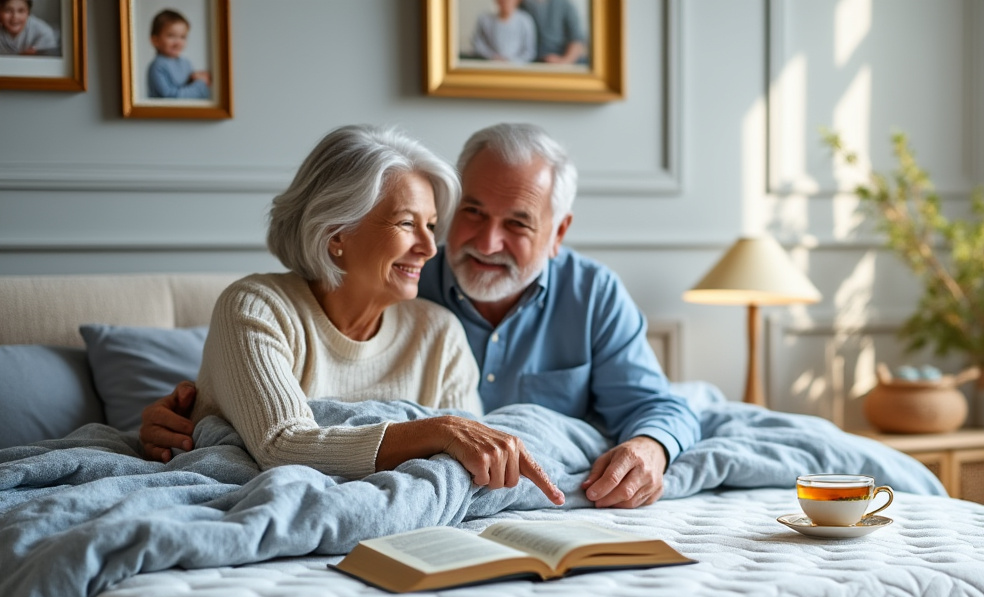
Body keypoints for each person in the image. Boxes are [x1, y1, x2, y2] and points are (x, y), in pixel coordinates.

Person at [142, 123, 697, 509]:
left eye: (519, 224)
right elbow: (274, 414)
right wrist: (207, 411)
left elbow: (654, 406)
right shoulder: (396, 279)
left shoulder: (579, 296)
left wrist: (652, 447)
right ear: (337, 235)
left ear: (558, 233)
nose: (478, 241)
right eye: (471, 213)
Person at [190, 124, 564, 504]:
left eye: (431, 227)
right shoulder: (256, 306)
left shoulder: (440, 334)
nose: (428, 248)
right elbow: (281, 445)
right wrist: (440, 432)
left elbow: (470, 469)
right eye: (407, 223)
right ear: (337, 232)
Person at [146, 9, 210, 99]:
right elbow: (170, 97)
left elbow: (200, 94)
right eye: (171, 36)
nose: (178, 42)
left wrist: (195, 79)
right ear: (155, 40)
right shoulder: (158, 66)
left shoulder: (186, 63)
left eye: (183, 37)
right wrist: (200, 84)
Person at [520, 0, 585, 64]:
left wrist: (564, 61)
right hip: (532, 62)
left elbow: (577, 41)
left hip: (562, 61)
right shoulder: (524, 5)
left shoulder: (565, 5)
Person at [471, 0, 536, 64]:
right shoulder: (484, 20)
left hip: (517, 70)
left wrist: (511, 62)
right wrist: (493, 57)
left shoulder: (526, 21)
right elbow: (477, 44)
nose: (505, 1)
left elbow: (529, 52)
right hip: (490, 67)